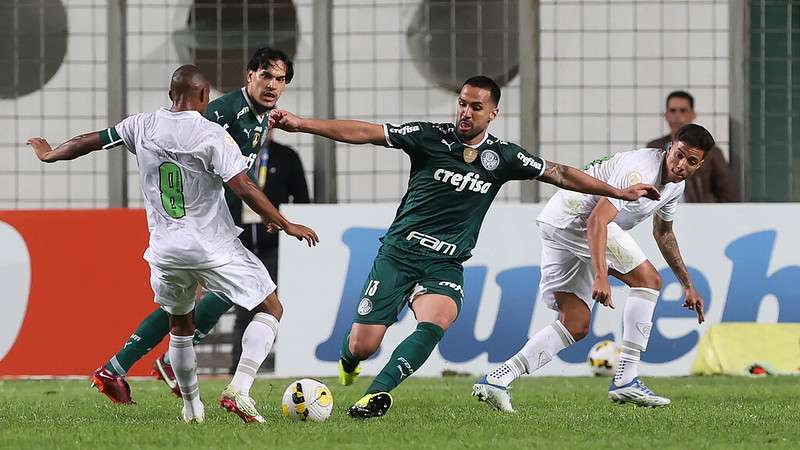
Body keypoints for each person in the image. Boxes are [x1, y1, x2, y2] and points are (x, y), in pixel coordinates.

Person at [269, 75, 660, 419]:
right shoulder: (428, 137)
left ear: (493, 113)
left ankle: (377, 392)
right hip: (400, 253)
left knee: (438, 319)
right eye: (462, 103)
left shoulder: (503, 156)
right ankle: (349, 363)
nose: (465, 112)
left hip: (446, 262)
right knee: (362, 344)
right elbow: (367, 132)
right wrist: (303, 124)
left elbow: (559, 172)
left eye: (476, 106)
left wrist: (616, 191)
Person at [27, 65, 318, 423]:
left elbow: (91, 140)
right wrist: (284, 222)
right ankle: (239, 389)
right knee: (270, 307)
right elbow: (244, 187)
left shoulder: (141, 125)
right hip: (212, 247)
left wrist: (52, 153)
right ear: (204, 97)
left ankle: (192, 409)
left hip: (165, 251)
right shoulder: (212, 135)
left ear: (170, 95)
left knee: (180, 327)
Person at [89, 47, 295, 403]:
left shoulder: (263, 116)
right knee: (220, 298)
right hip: (200, 226)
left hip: (217, 224)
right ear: (249, 76)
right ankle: (138, 365)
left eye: (280, 79)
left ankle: (122, 367)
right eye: (266, 76)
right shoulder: (217, 115)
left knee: (193, 304)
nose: (272, 85)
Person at [475, 123, 713, 411]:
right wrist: (602, 275)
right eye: (679, 155)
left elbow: (663, 233)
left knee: (575, 323)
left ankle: (497, 379)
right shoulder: (639, 170)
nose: (681, 165)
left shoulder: (675, 186)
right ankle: (626, 378)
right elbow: (597, 221)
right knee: (648, 281)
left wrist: (687, 284)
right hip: (577, 221)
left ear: (699, 165)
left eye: (691, 161)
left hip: (556, 222)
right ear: (670, 146)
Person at [230, 130, 310, 374]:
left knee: (272, 304)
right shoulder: (231, 155)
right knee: (242, 309)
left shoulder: (286, 157)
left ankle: (274, 364)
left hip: (274, 246)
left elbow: (303, 200)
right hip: (236, 244)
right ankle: (238, 367)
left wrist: (287, 226)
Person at [646, 91, 738, 202]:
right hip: (659, 208)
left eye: (683, 111)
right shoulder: (654, 147)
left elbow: (728, 193)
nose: (678, 115)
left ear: (692, 115)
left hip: (697, 212)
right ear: (666, 115)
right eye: (673, 110)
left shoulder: (711, 152)